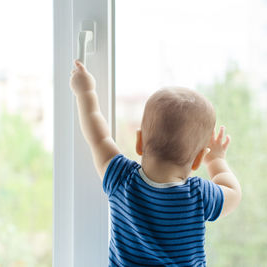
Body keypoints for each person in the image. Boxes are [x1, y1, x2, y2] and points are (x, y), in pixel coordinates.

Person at [70, 59, 242, 266]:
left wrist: (85, 92)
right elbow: (233, 193)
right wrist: (215, 160)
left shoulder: (121, 178)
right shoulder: (199, 195)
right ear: (198, 159)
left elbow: (98, 137)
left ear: (140, 142)